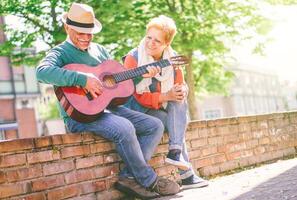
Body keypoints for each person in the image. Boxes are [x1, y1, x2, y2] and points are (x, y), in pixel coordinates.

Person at [36, 3, 180, 199]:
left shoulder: (100, 51)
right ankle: (149, 181)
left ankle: (129, 177)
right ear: (67, 28)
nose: (86, 38)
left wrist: (142, 76)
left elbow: (119, 84)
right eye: (80, 33)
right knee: (124, 127)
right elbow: (41, 72)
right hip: (81, 116)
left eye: (90, 33)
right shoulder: (60, 53)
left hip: (108, 109)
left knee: (154, 125)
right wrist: (82, 79)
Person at [123, 15, 209, 189]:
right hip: (137, 109)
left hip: (159, 108)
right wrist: (166, 96)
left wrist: (183, 90)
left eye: (157, 41)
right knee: (175, 120)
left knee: (179, 100)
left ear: (166, 44)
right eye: (149, 37)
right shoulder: (133, 58)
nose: (151, 43)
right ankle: (186, 175)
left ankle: (175, 151)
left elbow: (180, 84)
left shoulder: (172, 58)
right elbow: (138, 97)